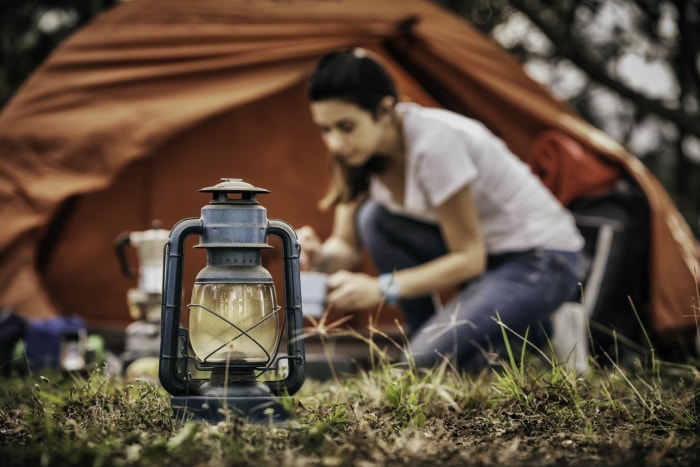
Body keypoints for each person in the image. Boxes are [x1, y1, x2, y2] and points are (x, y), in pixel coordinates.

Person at [297, 49, 585, 372]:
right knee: (374, 219)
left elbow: (468, 256)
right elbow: (346, 246)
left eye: (345, 126)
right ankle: (526, 331)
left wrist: (381, 289)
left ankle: (548, 329)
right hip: (487, 263)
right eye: (325, 129)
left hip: (542, 259)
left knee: (424, 364)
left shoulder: (434, 145)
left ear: (385, 110)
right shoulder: (356, 157)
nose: (335, 142)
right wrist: (319, 256)